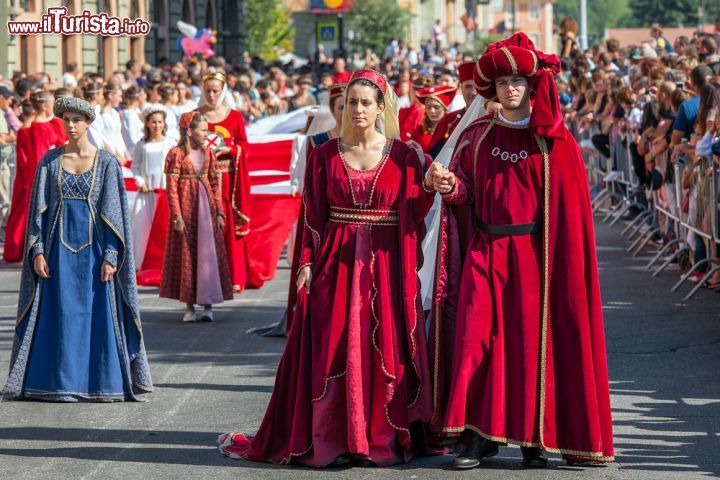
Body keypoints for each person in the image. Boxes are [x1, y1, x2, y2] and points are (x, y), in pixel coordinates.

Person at [218, 69, 436, 467]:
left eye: (365, 102)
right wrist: (304, 262)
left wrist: (433, 186)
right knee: (336, 349)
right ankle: (334, 440)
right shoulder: (323, 155)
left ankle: (380, 439)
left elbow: (416, 210)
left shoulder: (405, 156)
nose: (357, 109)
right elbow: (312, 216)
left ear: (380, 107)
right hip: (337, 263)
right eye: (351, 101)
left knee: (383, 348)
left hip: (387, 265)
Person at [428, 33, 614, 468]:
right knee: (476, 340)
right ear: (493, 86)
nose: (512, 88)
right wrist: (450, 186)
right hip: (484, 249)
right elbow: (465, 190)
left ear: (532, 87)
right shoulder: (476, 135)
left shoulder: (552, 141)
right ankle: (474, 436)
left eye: (519, 81)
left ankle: (534, 439)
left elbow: (567, 215)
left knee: (531, 346)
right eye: (505, 81)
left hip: (535, 258)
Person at [2, 96, 153, 401]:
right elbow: (38, 212)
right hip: (57, 253)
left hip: (95, 252)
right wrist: (39, 250)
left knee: (94, 315)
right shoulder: (50, 161)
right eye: (66, 120)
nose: (71, 126)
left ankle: (100, 382)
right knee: (59, 314)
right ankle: (54, 382)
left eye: (77, 120)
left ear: (88, 123)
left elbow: (114, 214)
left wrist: (112, 255)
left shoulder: (107, 163)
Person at [159, 111, 233, 322]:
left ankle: (208, 304)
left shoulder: (209, 153)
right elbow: (171, 188)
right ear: (190, 131)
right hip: (186, 205)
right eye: (203, 129)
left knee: (207, 253)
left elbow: (215, 182)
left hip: (205, 207)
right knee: (187, 252)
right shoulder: (176, 154)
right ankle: (189, 306)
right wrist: (177, 216)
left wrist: (219, 211)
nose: (206, 132)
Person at [285, 82, 346, 333]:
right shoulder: (317, 140)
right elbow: (305, 177)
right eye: (342, 106)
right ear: (332, 109)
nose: (348, 111)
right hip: (320, 206)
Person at [199, 71, 252, 293]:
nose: (212, 95)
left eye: (216, 91)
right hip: (201, 179)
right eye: (208, 91)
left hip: (227, 180)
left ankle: (231, 274)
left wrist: (230, 149)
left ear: (223, 92)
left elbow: (245, 146)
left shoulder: (234, 117)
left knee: (227, 225)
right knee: (204, 226)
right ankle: (204, 277)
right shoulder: (195, 115)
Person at [3, 91, 67, 262]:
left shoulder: (43, 126)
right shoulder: (39, 128)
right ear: (45, 106)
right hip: (38, 175)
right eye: (53, 102)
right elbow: (40, 156)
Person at [130, 105, 175, 268]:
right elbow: (135, 166)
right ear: (148, 124)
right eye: (153, 122)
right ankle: (143, 262)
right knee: (144, 226)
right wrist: (140, 181)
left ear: (164, 124)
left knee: (164, 225)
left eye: (160, 122)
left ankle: (165, 262)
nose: (157, 126)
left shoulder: (171, 143)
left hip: (164, 190)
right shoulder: (141, 145)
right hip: (147, 191)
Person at [427, 62, 486, 158]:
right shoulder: (449, 120)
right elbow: (434, 157)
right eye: (468, 86)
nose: (474, 92)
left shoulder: (494, 119)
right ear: (461, 89)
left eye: (477, 87)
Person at [408, 85, 455, 154]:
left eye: (436, 107)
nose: (432, 111)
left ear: (444, 109)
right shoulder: (419, 131)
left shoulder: (451, 129)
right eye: (428, 107)